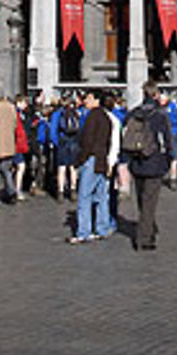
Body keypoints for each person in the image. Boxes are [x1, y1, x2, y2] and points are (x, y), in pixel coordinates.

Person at [122, 80, 170, 251]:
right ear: (155, 94)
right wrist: (168, 160)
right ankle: (143, 237)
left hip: (136, 160)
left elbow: (125, 134)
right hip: (154, 161)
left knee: (142, 198)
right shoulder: (160, 115)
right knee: (150, 201)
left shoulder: (133, 113)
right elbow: (167, 140)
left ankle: (149, 227)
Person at [71, 90, 113, 244]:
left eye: (88, 98)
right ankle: (102, 228)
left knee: (84, 196)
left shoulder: (92, 117)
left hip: (91, 160)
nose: (85, 101)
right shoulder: (106, 118)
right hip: (102, 159)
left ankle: (84, 231)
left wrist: (80, 160)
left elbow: (87, 141)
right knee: (101, 196)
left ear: (96, 100)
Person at [0, 92, 18, 204]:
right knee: (7, 170)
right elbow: (15, 124)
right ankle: (11, 192)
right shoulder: (12, 108)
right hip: (9, 143)